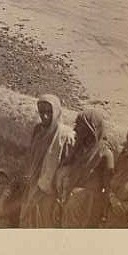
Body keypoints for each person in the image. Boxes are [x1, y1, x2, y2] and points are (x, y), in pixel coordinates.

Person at [19, 94, 73, 228]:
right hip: (32, 186)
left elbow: (67, 166)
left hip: (50, 191)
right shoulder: (38, 131)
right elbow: (31, 155)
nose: (45, 116)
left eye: (49, 112)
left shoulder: (64, 136)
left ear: (56, 112)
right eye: (41, 112)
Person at [56, 109, 114, 228]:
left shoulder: (104, 154)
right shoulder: (79, 148)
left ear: (91, 128)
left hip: (89, 205)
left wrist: (104, 213)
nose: (75, 129)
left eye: (79, 126)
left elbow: (108, 187)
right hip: (71, 201)